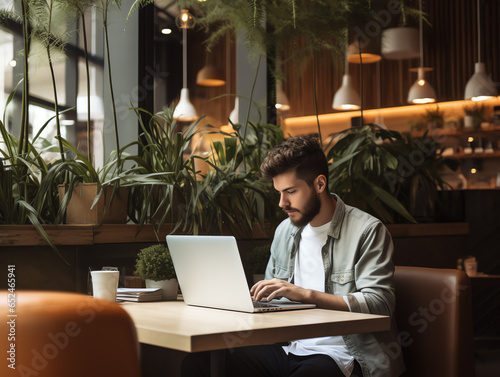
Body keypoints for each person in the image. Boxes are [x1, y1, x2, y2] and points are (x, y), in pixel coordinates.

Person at [182, 136, 405, 377]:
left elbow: (381, 305)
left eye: (290, 191)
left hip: (343, 355)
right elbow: (269, 300)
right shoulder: (285, 232)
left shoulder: (367, 231)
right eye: (279, 192)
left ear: (320, 184)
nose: (282, 202)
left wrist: (306, 295)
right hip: (288, 347)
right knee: (200, 362)